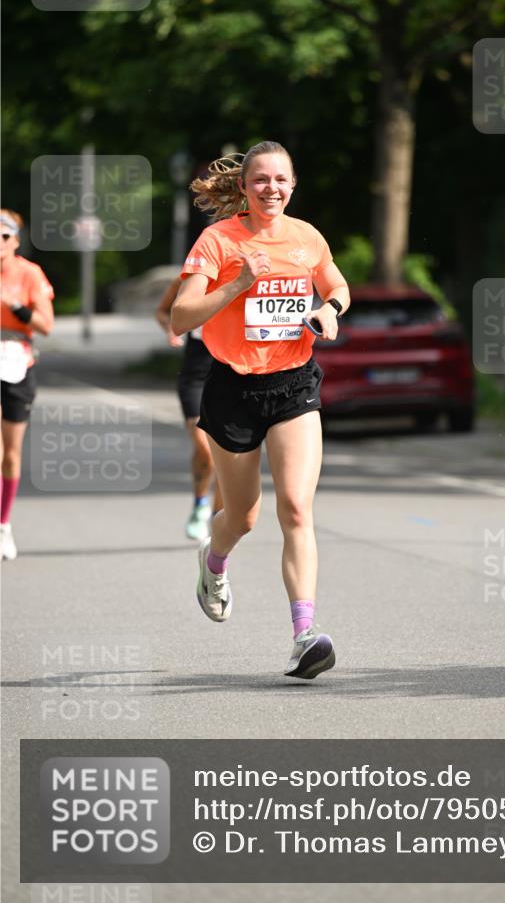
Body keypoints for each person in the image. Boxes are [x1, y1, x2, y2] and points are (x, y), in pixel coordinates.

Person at [171, 142, 350, 679]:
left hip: (295, 384)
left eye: (281, 180)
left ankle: (304, 636)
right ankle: (214, 562)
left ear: (293, 186)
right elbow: (181, 317)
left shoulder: (306, 237)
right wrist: (237, 284)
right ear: (244, 188)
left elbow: (336, 283)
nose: (271, 188)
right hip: (234, 389)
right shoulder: (218, 240)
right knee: (243, 516)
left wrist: (330, 310)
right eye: (260, 181)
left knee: (296, 508)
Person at [0, 209, 54, 560]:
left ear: (16, 241)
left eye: (4, 236)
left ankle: (3, 524)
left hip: (16, 362)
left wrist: (17, 308)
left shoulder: (29, 274)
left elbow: (46, 325)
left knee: (11, 452)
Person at [155, 276, 223, 539]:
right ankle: (199, 504)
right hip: (195, 376)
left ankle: (219, 521)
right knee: (205, 448)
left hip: (230, 374)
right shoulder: (188, 279)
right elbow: (162, 312)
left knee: (224, 454)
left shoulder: (243, 279)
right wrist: (169, 328)